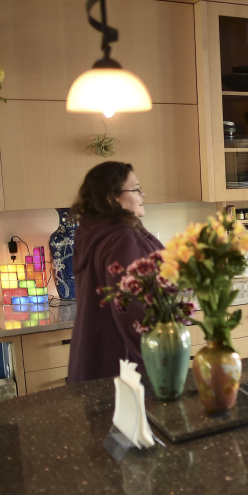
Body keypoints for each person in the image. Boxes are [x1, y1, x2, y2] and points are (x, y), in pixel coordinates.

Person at [67, 161, 163, 384]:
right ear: (112, 198)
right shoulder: (123, 238)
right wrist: (155, 363)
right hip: (124, 366)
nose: (142, 193)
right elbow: (132, 308)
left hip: (94, 361)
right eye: (136, 188)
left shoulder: (92, 231)